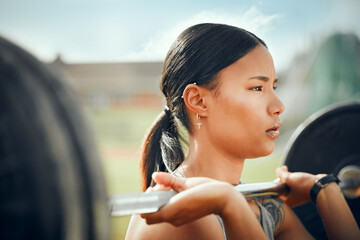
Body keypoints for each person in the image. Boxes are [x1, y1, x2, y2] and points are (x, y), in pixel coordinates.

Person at [125, 23, 359, 239]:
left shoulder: (264, 206)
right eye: (257, 87)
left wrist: (324, 189)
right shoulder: (180, 213)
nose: (278, 106)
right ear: (198, 101)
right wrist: (229, 204)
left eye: (273, 87)